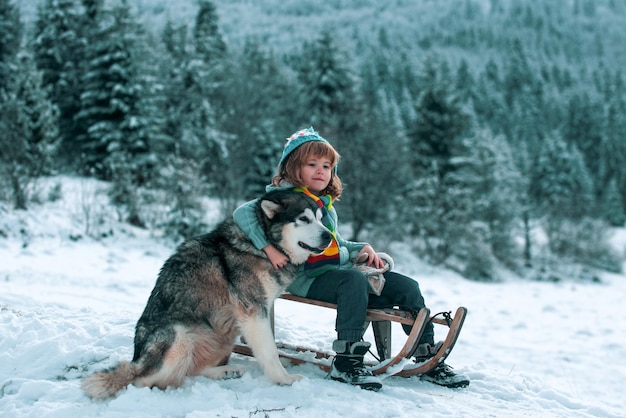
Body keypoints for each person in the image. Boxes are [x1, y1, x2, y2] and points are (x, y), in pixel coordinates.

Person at [233, 127, 469, 391]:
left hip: (335, 272)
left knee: (406, 287)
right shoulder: (287, 200)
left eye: (327, 165)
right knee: (353, 280)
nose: (321, 171)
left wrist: (362, 249)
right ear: (292, 168)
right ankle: (346, 361)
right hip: (305, 277)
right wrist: (269, 248)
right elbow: (243, 212)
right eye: (312, 164)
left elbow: (336, 244)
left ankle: (427, 355)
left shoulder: (323, 205)